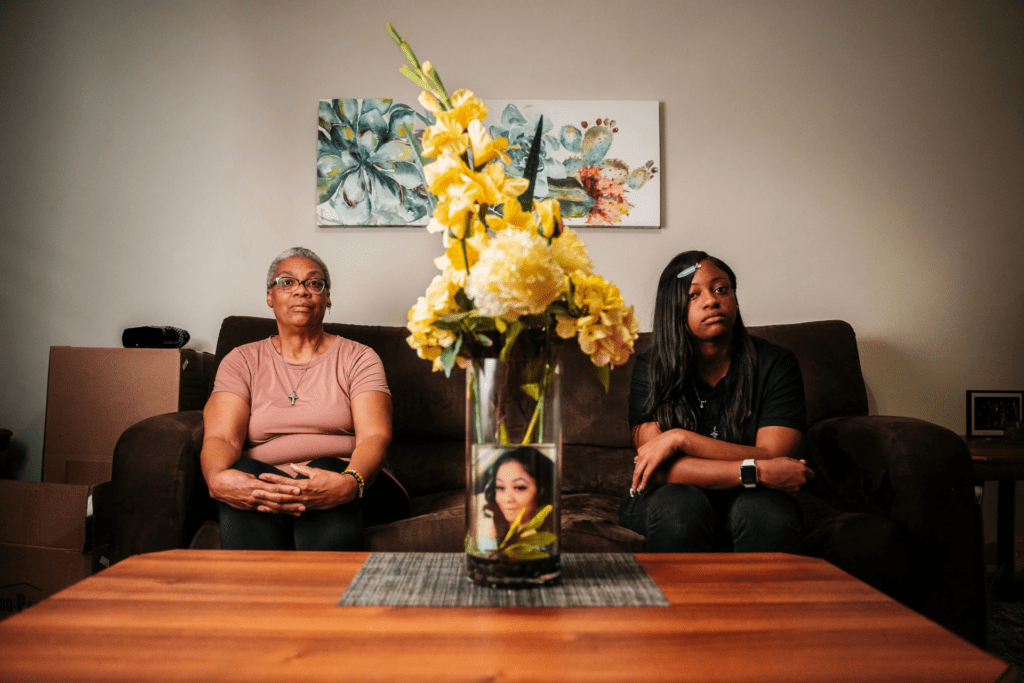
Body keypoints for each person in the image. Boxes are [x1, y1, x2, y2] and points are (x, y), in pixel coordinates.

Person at [200, 247, 410, 550]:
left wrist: (350, 481)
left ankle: (323, 581)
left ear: (327, 298)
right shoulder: (241, 360)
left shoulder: (359, 357)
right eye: (287, 282)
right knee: (245, 473)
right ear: (270, 296)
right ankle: (255, 581)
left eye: (314, 283)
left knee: (325, 466)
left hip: (355, 483)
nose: (301, 290)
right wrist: (217, 477)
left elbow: (374, 436)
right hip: (266, 486)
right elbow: (222, 438)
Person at [619, 251, 813, 553]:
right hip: (669, 496)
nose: (711, 300)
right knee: (681, 507)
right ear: (673, 308)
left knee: (764, 513)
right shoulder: (651, 368)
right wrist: (756, 471)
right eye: (693, 295)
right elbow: (656, 469)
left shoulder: (776, 364)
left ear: (734, 298)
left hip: (755, 498)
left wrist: (680, 439)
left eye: (721, 289)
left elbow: (775, 455)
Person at [481, 447, 555, 545]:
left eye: (519, 487)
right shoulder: (486, 544)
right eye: (500, 487)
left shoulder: (553, 542)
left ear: (542, 490)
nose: (507, 499)